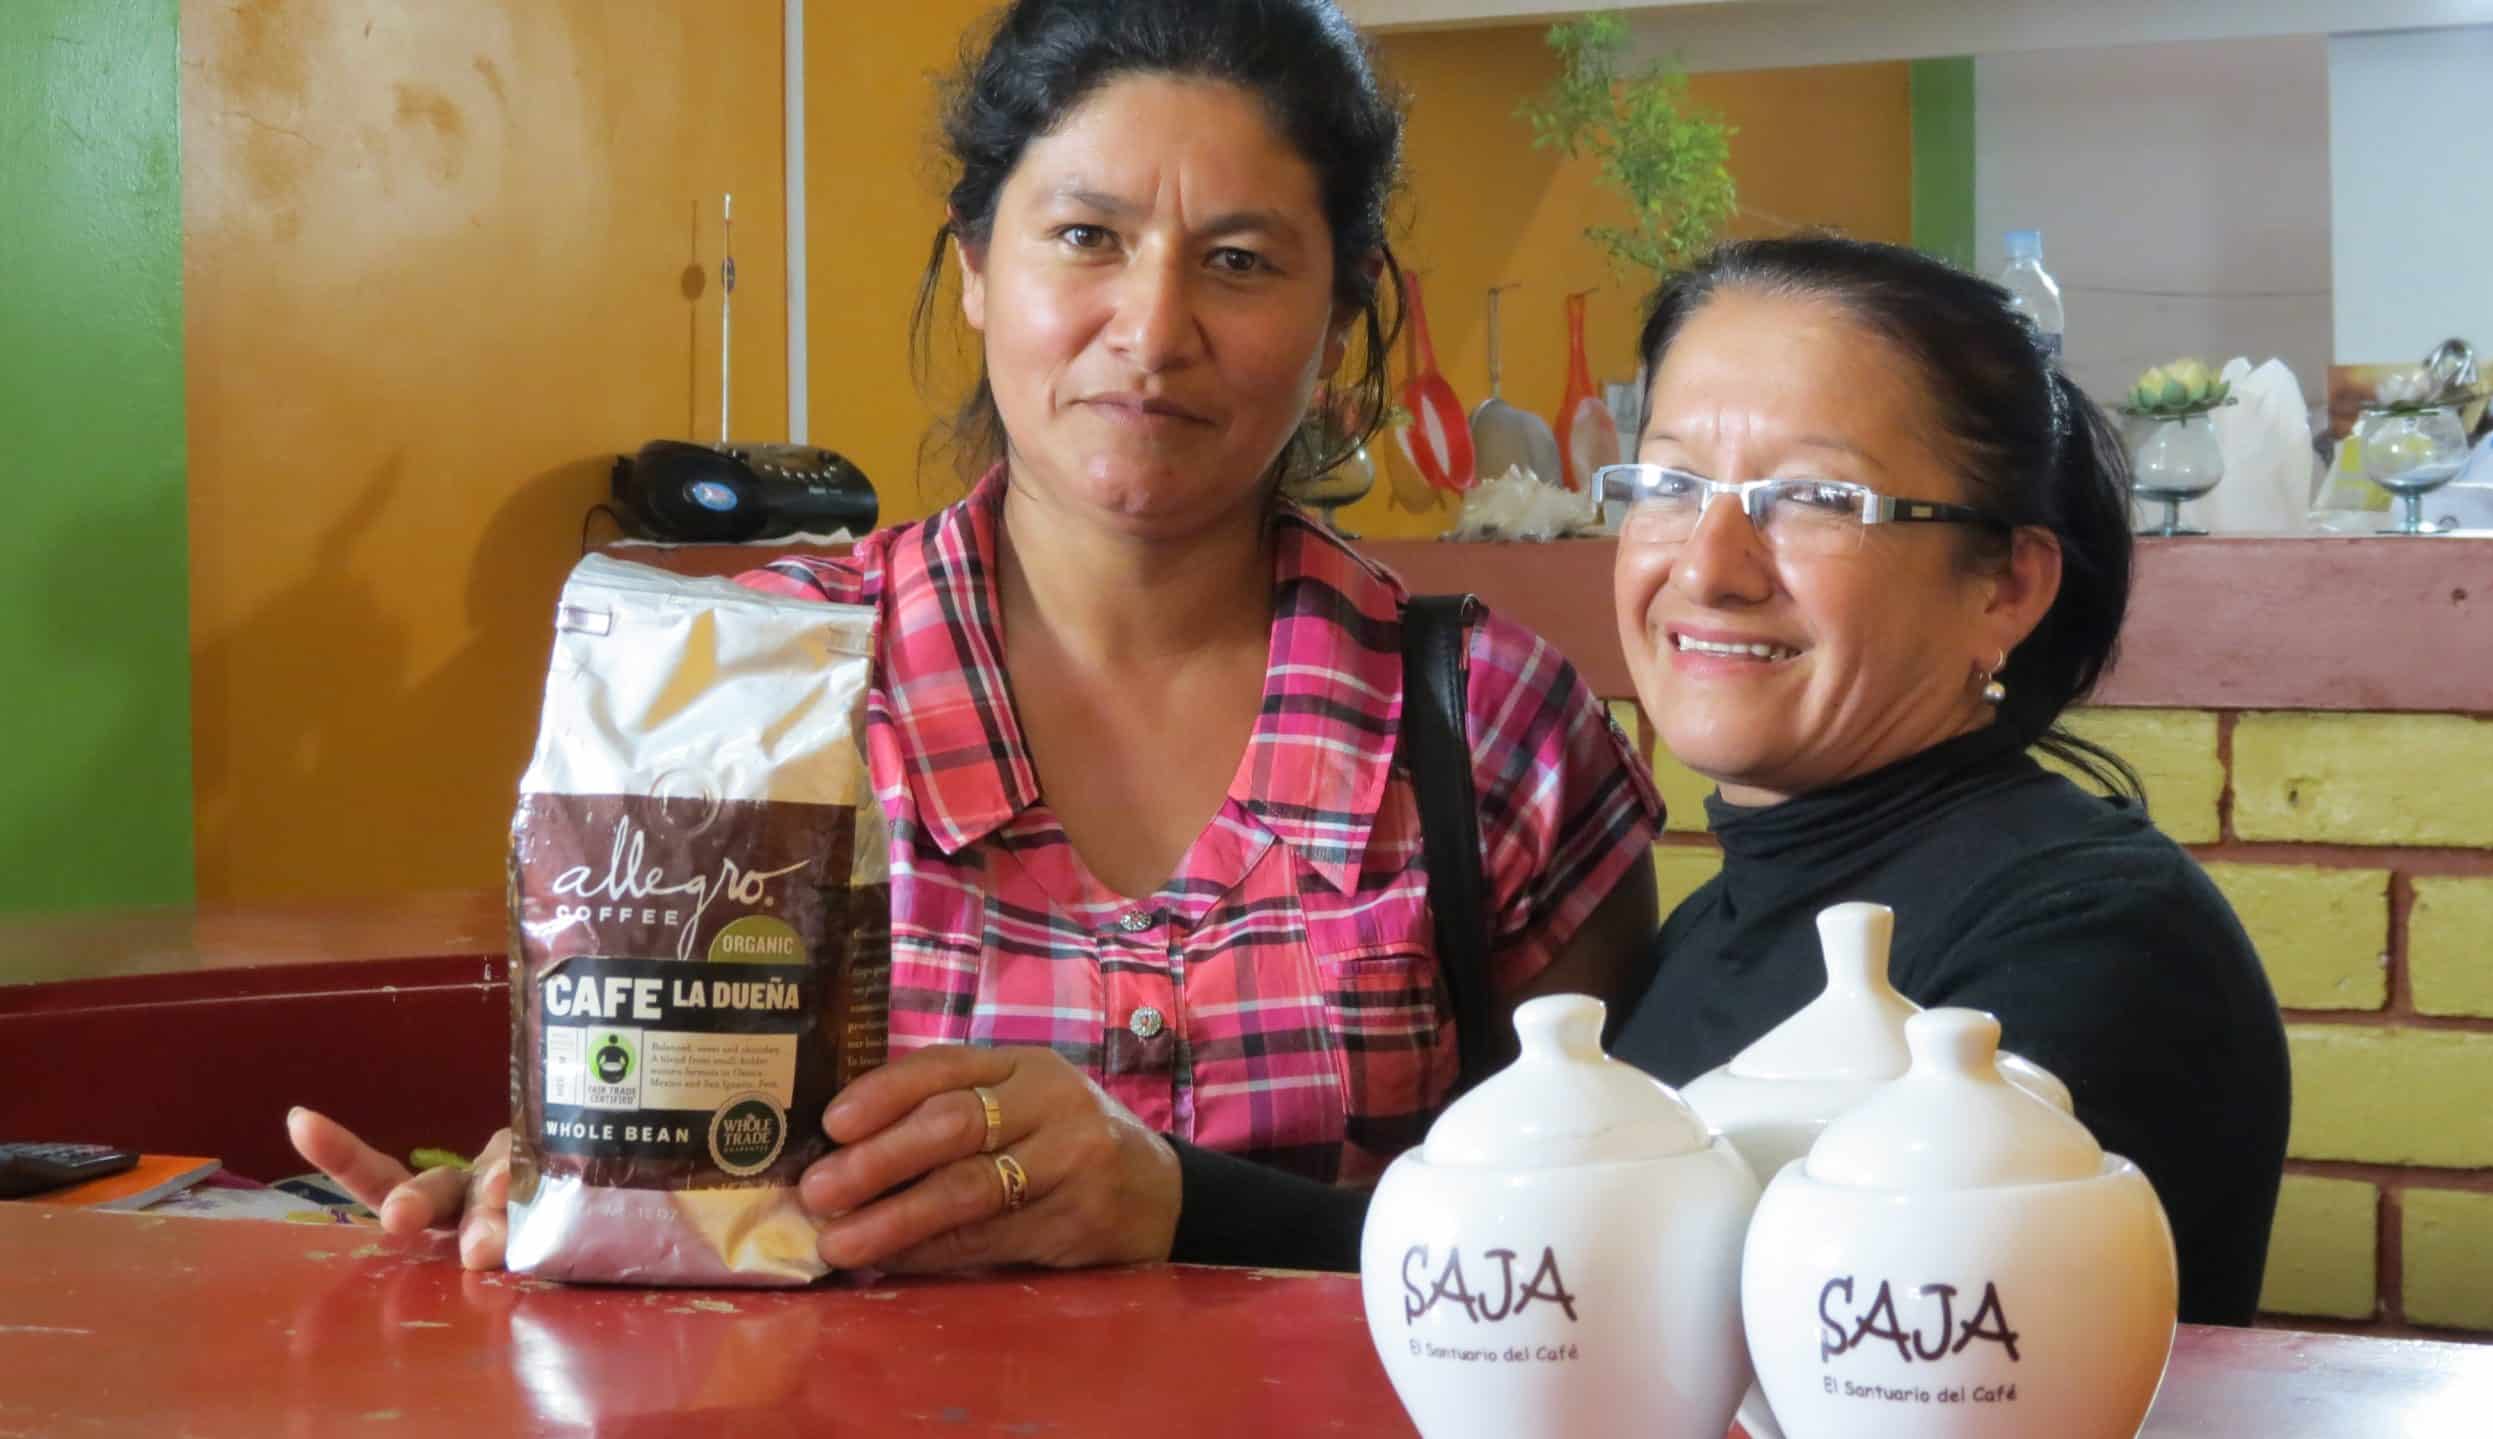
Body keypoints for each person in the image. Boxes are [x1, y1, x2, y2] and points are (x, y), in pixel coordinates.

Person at [286, 0, 1661, 1277]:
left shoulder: (1491, 726)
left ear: (1339, 311)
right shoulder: (745, 691)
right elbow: (665, 1161)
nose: (1153, 328)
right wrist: (560, 1178)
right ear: (977, 270)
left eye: (1238, 262)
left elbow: (1611, 1256)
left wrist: (1191, 1205)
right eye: (1086, 238)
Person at [1599, 235, 2289, 1327]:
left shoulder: (2089, 935)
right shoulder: (1706, 924)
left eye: (1814, 496)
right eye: (1671, 483)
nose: (1706, 566)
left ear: (2005, 586)